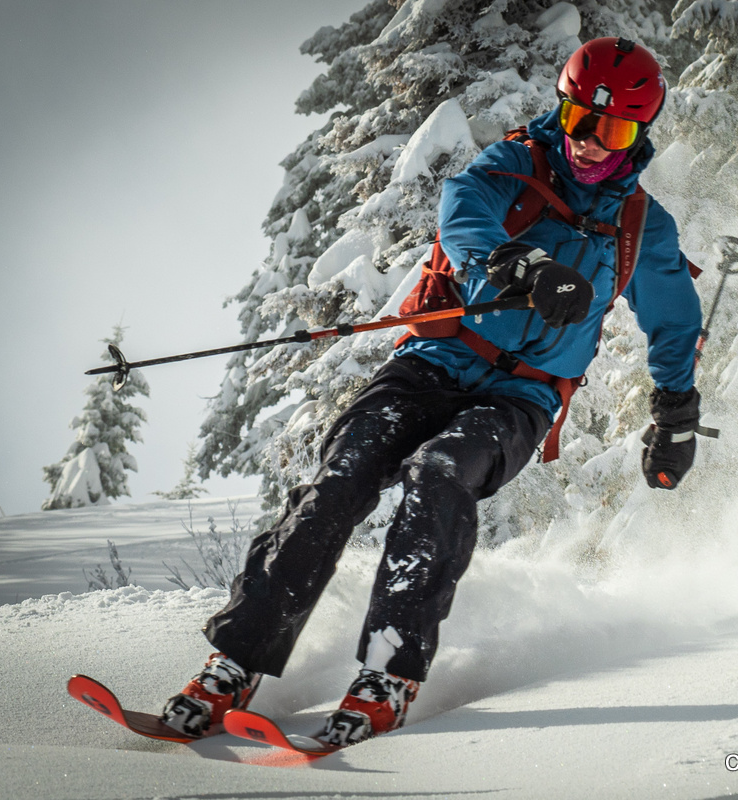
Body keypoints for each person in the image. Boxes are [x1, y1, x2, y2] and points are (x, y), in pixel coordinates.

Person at [159, 37, 704, 746]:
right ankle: (233, 662)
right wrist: (519, 264)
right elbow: (462, 205)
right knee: (343, 476)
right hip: (434, 362)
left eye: (616, 132)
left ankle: (388, 676)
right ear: (563, 110)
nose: (592, 144)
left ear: (639, 136)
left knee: (440, 473)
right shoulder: (517, 162)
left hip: (520, 399)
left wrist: (675, 413)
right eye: (580, 120)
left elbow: (674, 319)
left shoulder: (640, 225)